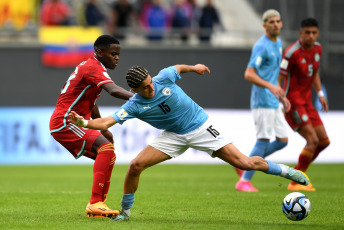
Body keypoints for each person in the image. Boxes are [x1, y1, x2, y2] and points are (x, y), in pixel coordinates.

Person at [68, 63, 310, 221]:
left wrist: (194, 68)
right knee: (135, 166)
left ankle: (288, 172)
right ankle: (126, 212)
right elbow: (107, 121)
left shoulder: (163, 77)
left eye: (151, 83)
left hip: (201, 127)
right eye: (144, 88)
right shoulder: (133, 105)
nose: (151, 88)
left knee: (245, 163)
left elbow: (179, 68)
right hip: (173, 136)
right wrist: (85, 123)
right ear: (134, 89)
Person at [49, 35, 133, 218]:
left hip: (71, 120)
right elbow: (113, 90)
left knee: (109, 154)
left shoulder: (95, 67)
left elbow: (92, 102)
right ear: (100, 52)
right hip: (65, 120)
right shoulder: (92, 67)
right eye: (113, 53)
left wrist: (102, 127)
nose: (117, 57)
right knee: (106, 148)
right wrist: (140, 98)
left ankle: (98, 205)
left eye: (118, 54)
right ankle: (95, 202)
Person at [235, 9, 290, 192]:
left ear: (281, 23)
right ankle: (244, 180)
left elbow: (273, 75)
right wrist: (271, 87)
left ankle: (245, 163)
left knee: (282, 140)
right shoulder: (261, 46)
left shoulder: (279, 43)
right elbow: (248, 74)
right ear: (264, 25)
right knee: (263, 140)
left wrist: (281, 95)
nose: (275, 24)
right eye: (271, 21)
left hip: (273, 100)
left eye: (278, 21)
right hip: (262, 101)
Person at [278, 18, 330, 191]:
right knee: (312, 140)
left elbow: (314, 72)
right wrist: (281, 97)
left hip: (307, 102)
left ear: (318, 34)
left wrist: (320, 93)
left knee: (324, 141)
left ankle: (297, 171)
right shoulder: (291, 52)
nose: (311, 36)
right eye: (307, 32)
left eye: (314, 33)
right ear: (300, 33)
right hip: (293, 103)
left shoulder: (318, 49)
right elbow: (280, 77)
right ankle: (296, 181)